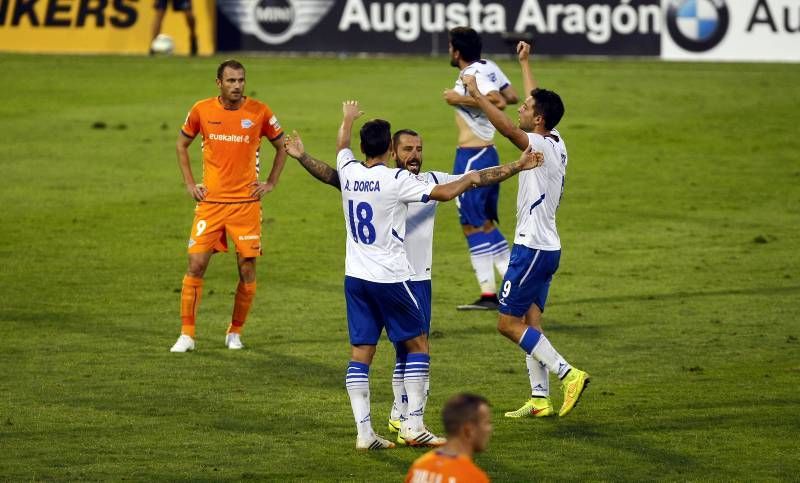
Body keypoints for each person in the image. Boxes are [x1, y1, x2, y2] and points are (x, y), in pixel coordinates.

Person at [282, 100, 541, 450]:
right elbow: (453, 189)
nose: (414, 153)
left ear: (363, 148)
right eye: (406, 148)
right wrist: (493, 172)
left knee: (362, 352)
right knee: (418, 344)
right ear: (391, 149)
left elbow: (338, 156)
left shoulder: (352, 170)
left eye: (419, 148)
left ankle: (366, 433)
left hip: (356, 277)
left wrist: (328, 133)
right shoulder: (398, 180)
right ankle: (413, 425)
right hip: (392, 277)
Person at [461, 42, 590, 418]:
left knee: (506, 323)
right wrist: (525, 63)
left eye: (527, 108)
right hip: (546, 247)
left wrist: (477, 96)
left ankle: (569, 374)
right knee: (531, 322)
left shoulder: (536, 143)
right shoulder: (556, 139)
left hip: (531, 249)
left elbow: (503, 126)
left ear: (537, 121)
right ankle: (539, 399)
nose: (520, 106)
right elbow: (537, 102)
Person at [169, 59, 287, 353]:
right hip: (210, 203)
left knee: (247, 269)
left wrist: (271, 182)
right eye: (231, 81)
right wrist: (189, 183)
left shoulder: (259, 112)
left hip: (246, 205)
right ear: (218, 83)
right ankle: (187, 334)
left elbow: (282, 145)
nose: (237, 86)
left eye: (241, 81)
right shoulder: (201, 110)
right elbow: (181, 144)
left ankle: (235, 332)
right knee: (196, 264)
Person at [443, 26, 519, 311]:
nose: (449, 51)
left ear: (457, 51)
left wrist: (458, 98)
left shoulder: (469, 74)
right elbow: (511, 96)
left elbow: (498, 102)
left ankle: (498, 290)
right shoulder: (488, 66)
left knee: (471, 223)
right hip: (488, 152)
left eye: (451, 46)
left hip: (472, 157)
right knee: (484, 223)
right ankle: (503, 288)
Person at [405, 393, 492, 483]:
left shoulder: (419, 467)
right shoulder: (473, 477)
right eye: (486, 423)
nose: (489, 429)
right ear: (468, 430)